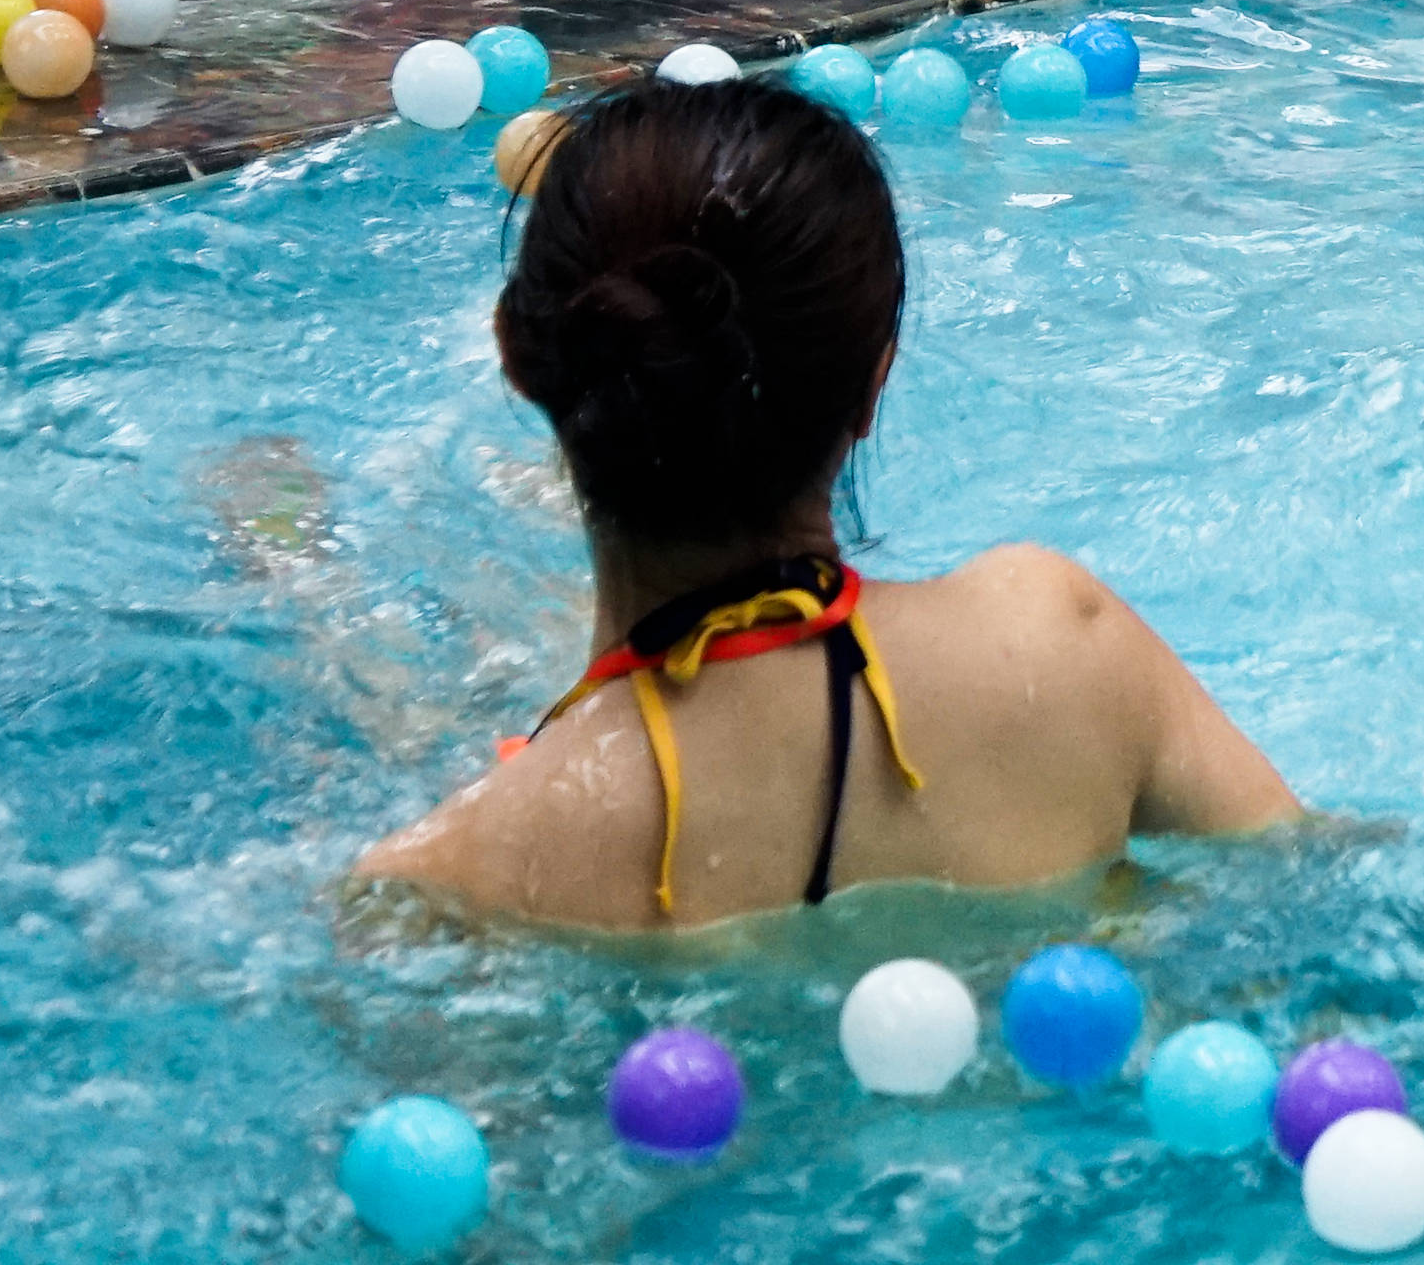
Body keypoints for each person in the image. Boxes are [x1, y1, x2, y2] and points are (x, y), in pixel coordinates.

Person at [357, 77, 1298, 928]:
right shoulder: (1065, 646)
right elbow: (1314, 884)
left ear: (517, 357)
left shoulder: (445, 882)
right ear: (873, 384)